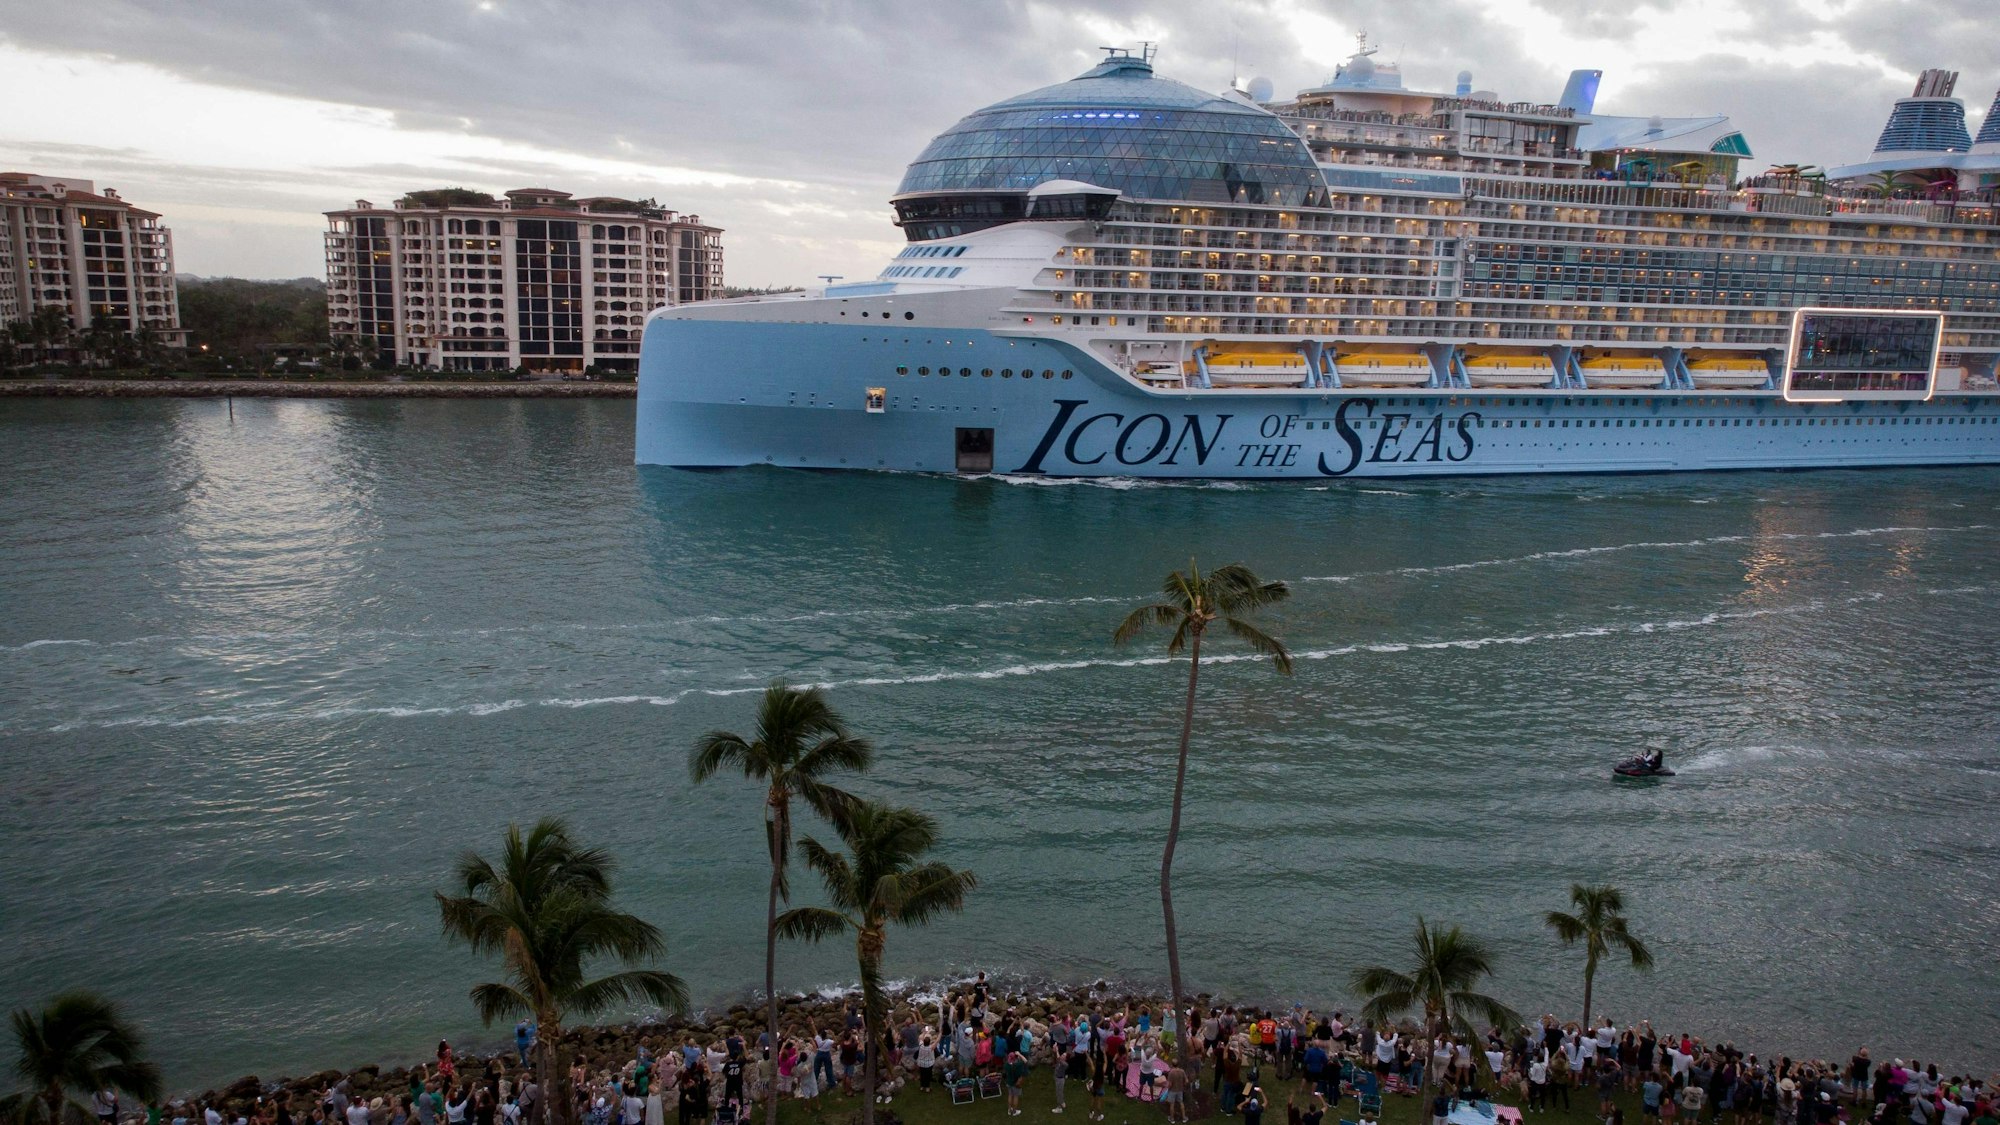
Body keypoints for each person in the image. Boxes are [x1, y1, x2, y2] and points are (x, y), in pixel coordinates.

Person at [1003, 1047, 1028, 1117]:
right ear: (1015, 1058)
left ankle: (1009, 1109)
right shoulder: (1018, 1065)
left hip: (1009, 1082)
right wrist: (1019, 1054)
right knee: (1016, 1096)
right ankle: (1014, 1111)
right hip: (1016, 1083)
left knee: (1010, 1095)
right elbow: (1025, 1061)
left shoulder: (1006, 1065)